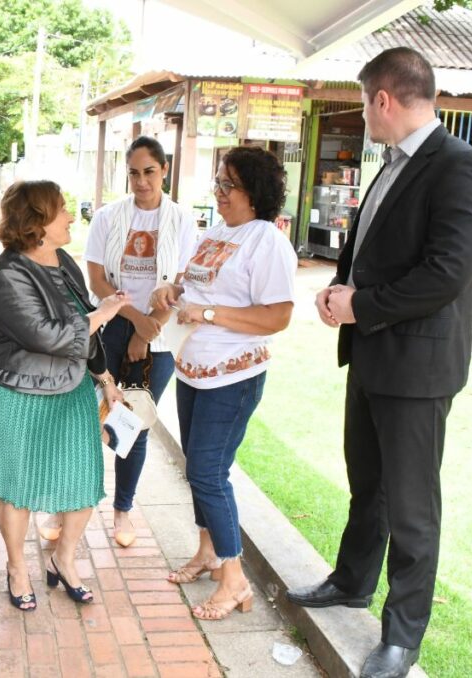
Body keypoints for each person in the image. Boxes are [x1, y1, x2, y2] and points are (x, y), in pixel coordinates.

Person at [286, 48, 472, 678]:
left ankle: (402, 636)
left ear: (383, 98)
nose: (363, 116)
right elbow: (369, 249)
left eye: (364, 103)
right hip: (372, 356)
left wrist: (361, 304)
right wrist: (338, 290)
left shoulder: (460, 167)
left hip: (419, 368)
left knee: (410, 506)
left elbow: (446, 275)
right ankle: (352, 582)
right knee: (366, 486)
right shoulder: (391, 165)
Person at [0, 180, 129, 611]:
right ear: (37, 220)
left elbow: (83, 331)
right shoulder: (6, 273)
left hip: (72, 388)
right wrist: (103, 313)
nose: (71, 216)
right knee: (16, 486)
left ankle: (63, 558)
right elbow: (47, 336)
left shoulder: (65, 262)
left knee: (83, 479)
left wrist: (106, 378)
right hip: (16, 392)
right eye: (61, 210)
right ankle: (17, 567)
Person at [151, 145, 296, 620]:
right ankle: (209, 552)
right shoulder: (216, 232)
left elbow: (277, 315)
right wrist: (174, 289)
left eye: (228, 185)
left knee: (208, 473)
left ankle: (235, 581)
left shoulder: (266, 240)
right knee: (200, 467)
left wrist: (209, 312)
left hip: (232, 376)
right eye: (218, 182)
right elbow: (193, 283)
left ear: (255, 192)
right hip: (193, 369)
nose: (219, 192)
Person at [67, 136, 198, 548]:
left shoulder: (181, 220)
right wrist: (135, 322)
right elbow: (97, 279)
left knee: (133, 422)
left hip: (158, 334)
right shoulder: (108, 217)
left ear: (164, 171)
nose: (141, 182)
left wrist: (149, 328)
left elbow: (182, 282)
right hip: (113, 324)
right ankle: (67, 503)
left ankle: (123, 510)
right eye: (134, 173)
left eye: (150, 172)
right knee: (89, 417)